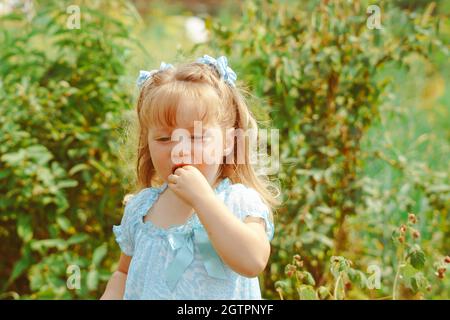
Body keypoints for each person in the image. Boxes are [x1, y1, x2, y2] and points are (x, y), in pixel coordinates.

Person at [101, 55, 279, 299]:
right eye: (164, 139)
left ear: (228, 141)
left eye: (196, 137)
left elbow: (253, 261)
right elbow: (123, 273)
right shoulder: (142, 209)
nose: (179, 149)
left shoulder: (239, 202)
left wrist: (203, 199)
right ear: (147, 144)